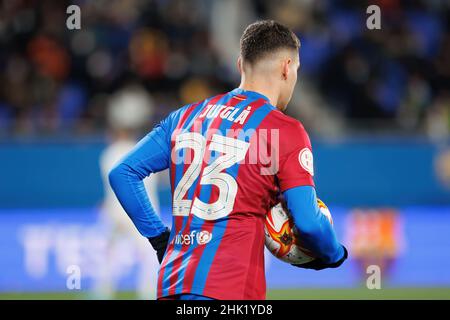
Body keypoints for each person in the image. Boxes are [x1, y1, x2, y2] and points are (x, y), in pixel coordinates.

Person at [109, 20, 347, 300]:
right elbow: (309, 222)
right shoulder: (283, 130)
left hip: (172, 285)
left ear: (239, 65)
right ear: (286, 67)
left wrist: (161, 240)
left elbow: (123, 173)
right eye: (296, 69)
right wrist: (333, 254)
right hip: (230, 289)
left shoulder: (184, 117)